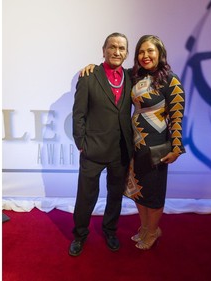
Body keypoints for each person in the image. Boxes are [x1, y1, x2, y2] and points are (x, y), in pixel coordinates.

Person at [80, 35, 186, 250]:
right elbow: (110, 72)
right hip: (133, 145)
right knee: (139, 189)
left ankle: (153, 230)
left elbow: (177, 117)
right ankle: (145, 227)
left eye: (150, 51)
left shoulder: (170, 80)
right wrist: (93, 66)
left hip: (157, 146)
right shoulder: (134, 77)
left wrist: (176, 148)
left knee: (154, 192)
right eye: (141, 52)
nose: (145, 56)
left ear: (160, 53)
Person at [69, 32, 134, 257]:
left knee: (115, 195)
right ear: (104, 50)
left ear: (127, 53)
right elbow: (78, 115)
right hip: (93, 149)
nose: (117, 52)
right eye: (112, 47)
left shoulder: (132, 77)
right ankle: (79, 235)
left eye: (122, 48)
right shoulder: (89, 76)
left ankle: (110, 231)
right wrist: (81, 143)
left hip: (121, 150)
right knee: (86, 196)